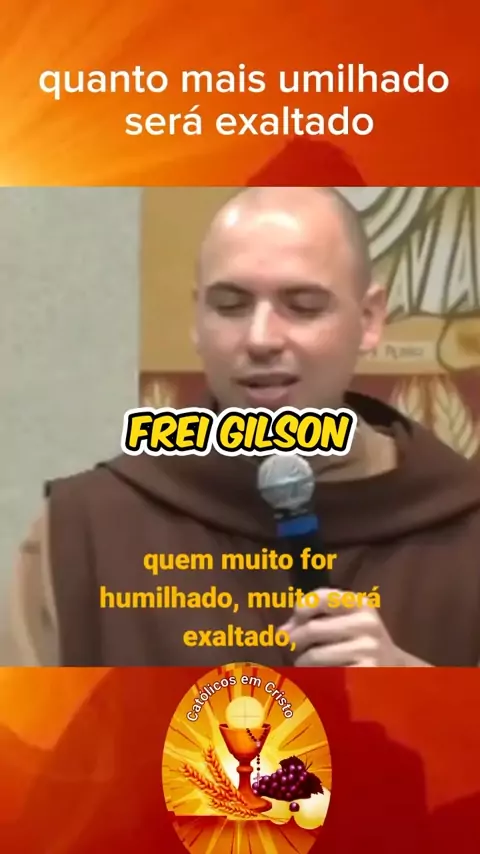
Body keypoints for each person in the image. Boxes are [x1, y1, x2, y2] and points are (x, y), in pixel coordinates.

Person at [10, 186, 480, 667]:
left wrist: (418, 693)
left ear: (370, 318)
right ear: (196, 320)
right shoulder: (82, 533)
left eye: (303, 305)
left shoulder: (464, 527)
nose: (260, 339)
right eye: (231, 306)